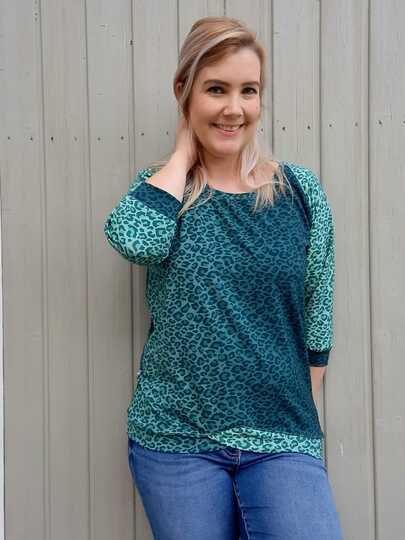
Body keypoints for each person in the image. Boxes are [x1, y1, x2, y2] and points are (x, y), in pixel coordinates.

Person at [104, 15, 344, 540]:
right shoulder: (163, 192)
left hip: (281, 437)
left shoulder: (299, 192)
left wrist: (287, 408)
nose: (234, 108)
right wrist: (183, 155)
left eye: (248, 91)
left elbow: (318, 312)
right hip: (176, 439)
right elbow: (135, 241)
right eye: (216, 89)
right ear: (184, 91)